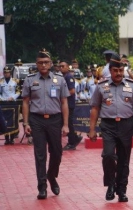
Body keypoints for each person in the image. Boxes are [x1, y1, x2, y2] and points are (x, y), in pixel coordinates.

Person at [88, 53, 133, 202]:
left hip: (127, 125)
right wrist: (92, 129)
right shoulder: (101, 86)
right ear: (110, 70)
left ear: (124, 70)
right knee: (107, 155)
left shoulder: (132, 85)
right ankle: (111, 184)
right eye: (115, 70)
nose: (119, 73)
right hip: (108, 125)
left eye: (121, 70)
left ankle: (122, 189)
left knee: (124, 159)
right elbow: (95, 108)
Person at [22, 48, 70, 199]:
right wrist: (26, 123)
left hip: (55, 120)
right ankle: (42, 186)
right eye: (40, 63)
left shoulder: (59, 79)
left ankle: (51, 176)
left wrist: (66, 124)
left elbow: (64, 102)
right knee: (40, 154)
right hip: (37, 120)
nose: (43, 65)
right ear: (36, 64)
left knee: (57, 152)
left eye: (46, 62)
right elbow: (25, 102)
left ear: (50, 64)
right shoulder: (29, 80)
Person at [60, 61, 83, 150]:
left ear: (67, 67)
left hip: (69, 104)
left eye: (63, 66)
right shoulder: (64, 76)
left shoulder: (69, 76)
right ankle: (75, 138)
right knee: (67, 123)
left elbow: (72, 91)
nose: (61, 68)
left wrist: (62, 96)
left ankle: (72, 142)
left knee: (69, 123)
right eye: (60, 66)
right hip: (65, 104)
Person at [0, 66, 20, 145]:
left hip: (12, 102)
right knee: (4, 120)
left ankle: (12, 138)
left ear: (10, 73)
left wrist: (13, 97)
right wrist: (1, 98)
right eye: (5, 72)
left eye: (8, 72)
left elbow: (18, 91)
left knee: (13, 120)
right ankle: (6, 138)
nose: (6, 74)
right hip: (3, 102)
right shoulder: (1, 81)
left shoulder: (15, 81)